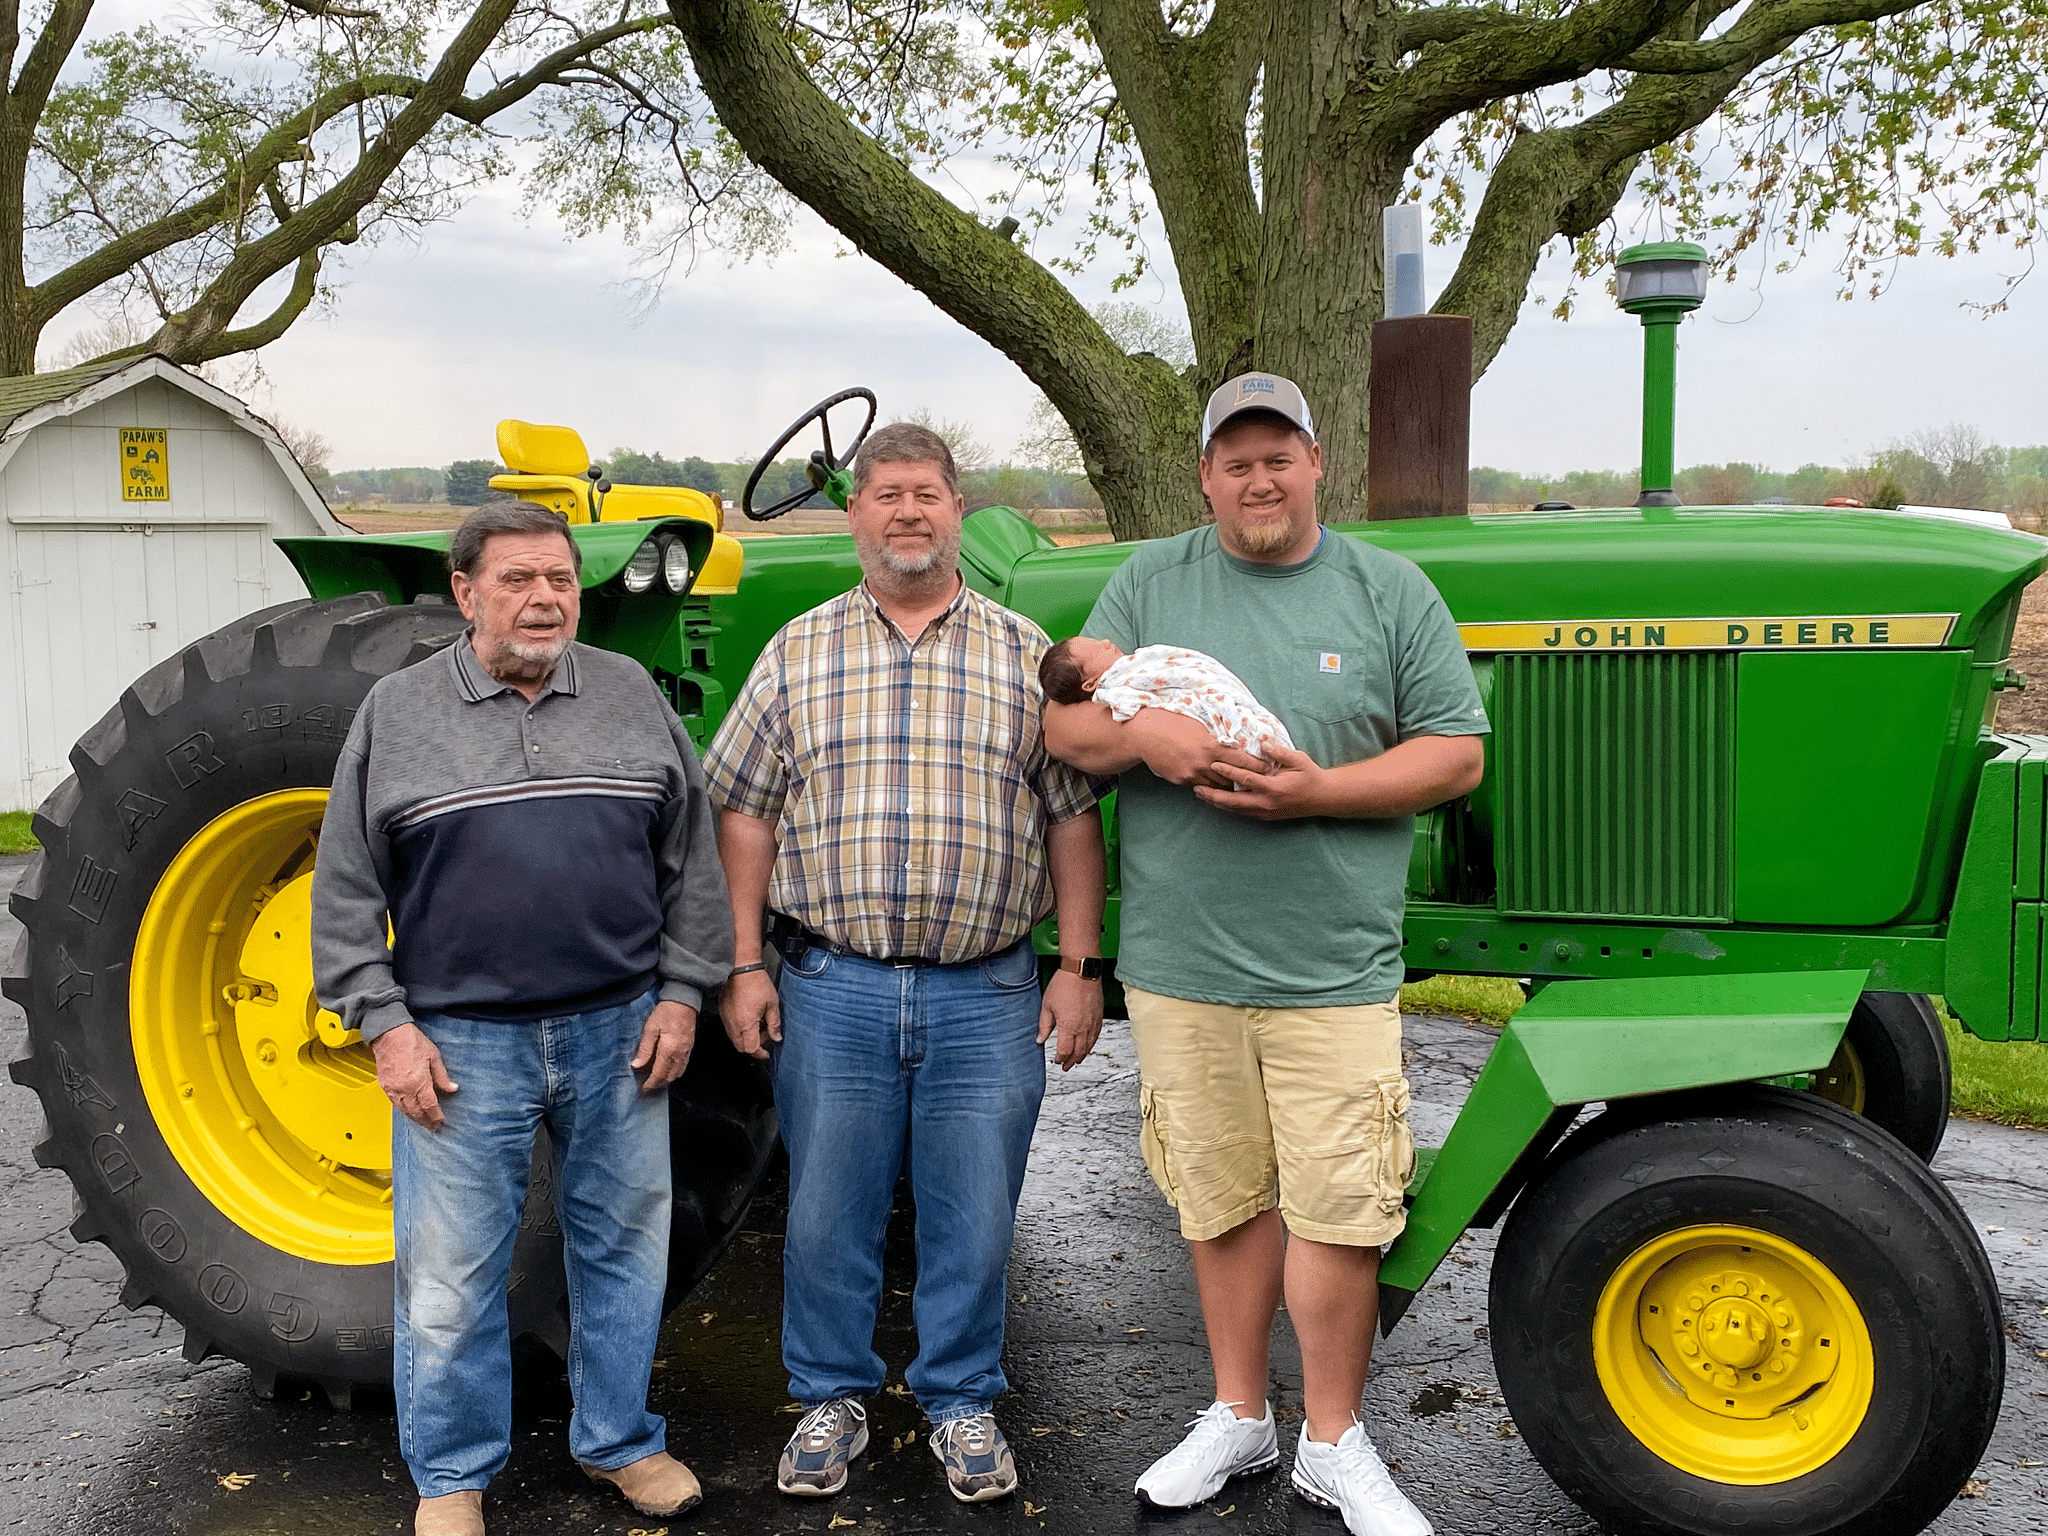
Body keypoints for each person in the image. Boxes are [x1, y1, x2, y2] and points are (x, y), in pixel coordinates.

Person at [1044, 373, 1487, 1536]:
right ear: (1204, 475)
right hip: (1183, 965)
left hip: (1330, 964)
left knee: (1341, 1208)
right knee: (1219, 1198)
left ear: (1314, 462)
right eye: (1233, 459)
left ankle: (1331, 1443)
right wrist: (1154, 738)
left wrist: (1321, 794)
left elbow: (1454, 755)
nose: (1256, 477)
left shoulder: (1386, 589)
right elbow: (1067, 729)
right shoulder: (1153, 581)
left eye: (1276, 455)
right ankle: (1237, 1413)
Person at [704, 421, 1109, 1506]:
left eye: (926, 494)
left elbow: (1071, 818)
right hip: (830, 983)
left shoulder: (1025, 655)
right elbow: (741, 809)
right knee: (826, 1210)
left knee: (972, 1209)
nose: (906, 513)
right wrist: (744, 962)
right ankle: (829, 1396)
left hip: (986, 989)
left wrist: (1079, 964)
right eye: (885, 494)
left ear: (956, 511)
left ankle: (960, 1397)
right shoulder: (797, 651)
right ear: (856, 515)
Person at [312, 503, 732, 1536]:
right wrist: (387, 1025)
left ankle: (621, 1442)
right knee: (451, 1273)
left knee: (625, 1251)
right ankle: (451, 1476)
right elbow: (345, 888)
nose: (543, 598)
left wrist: (682, 995)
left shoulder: (630, 695)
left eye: (558, 579)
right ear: (465, 593)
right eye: (516, 580)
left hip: (618, 1032)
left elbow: (692, 862)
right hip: (460, 1045)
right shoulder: (397, 711)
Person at [1038, 636, 1295, 757]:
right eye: (1095, 652)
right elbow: (1129, 704)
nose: (1105, 642)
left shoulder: (1136, 660)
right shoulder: (1115, 686)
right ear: (1091, 684)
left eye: (1097, 641)